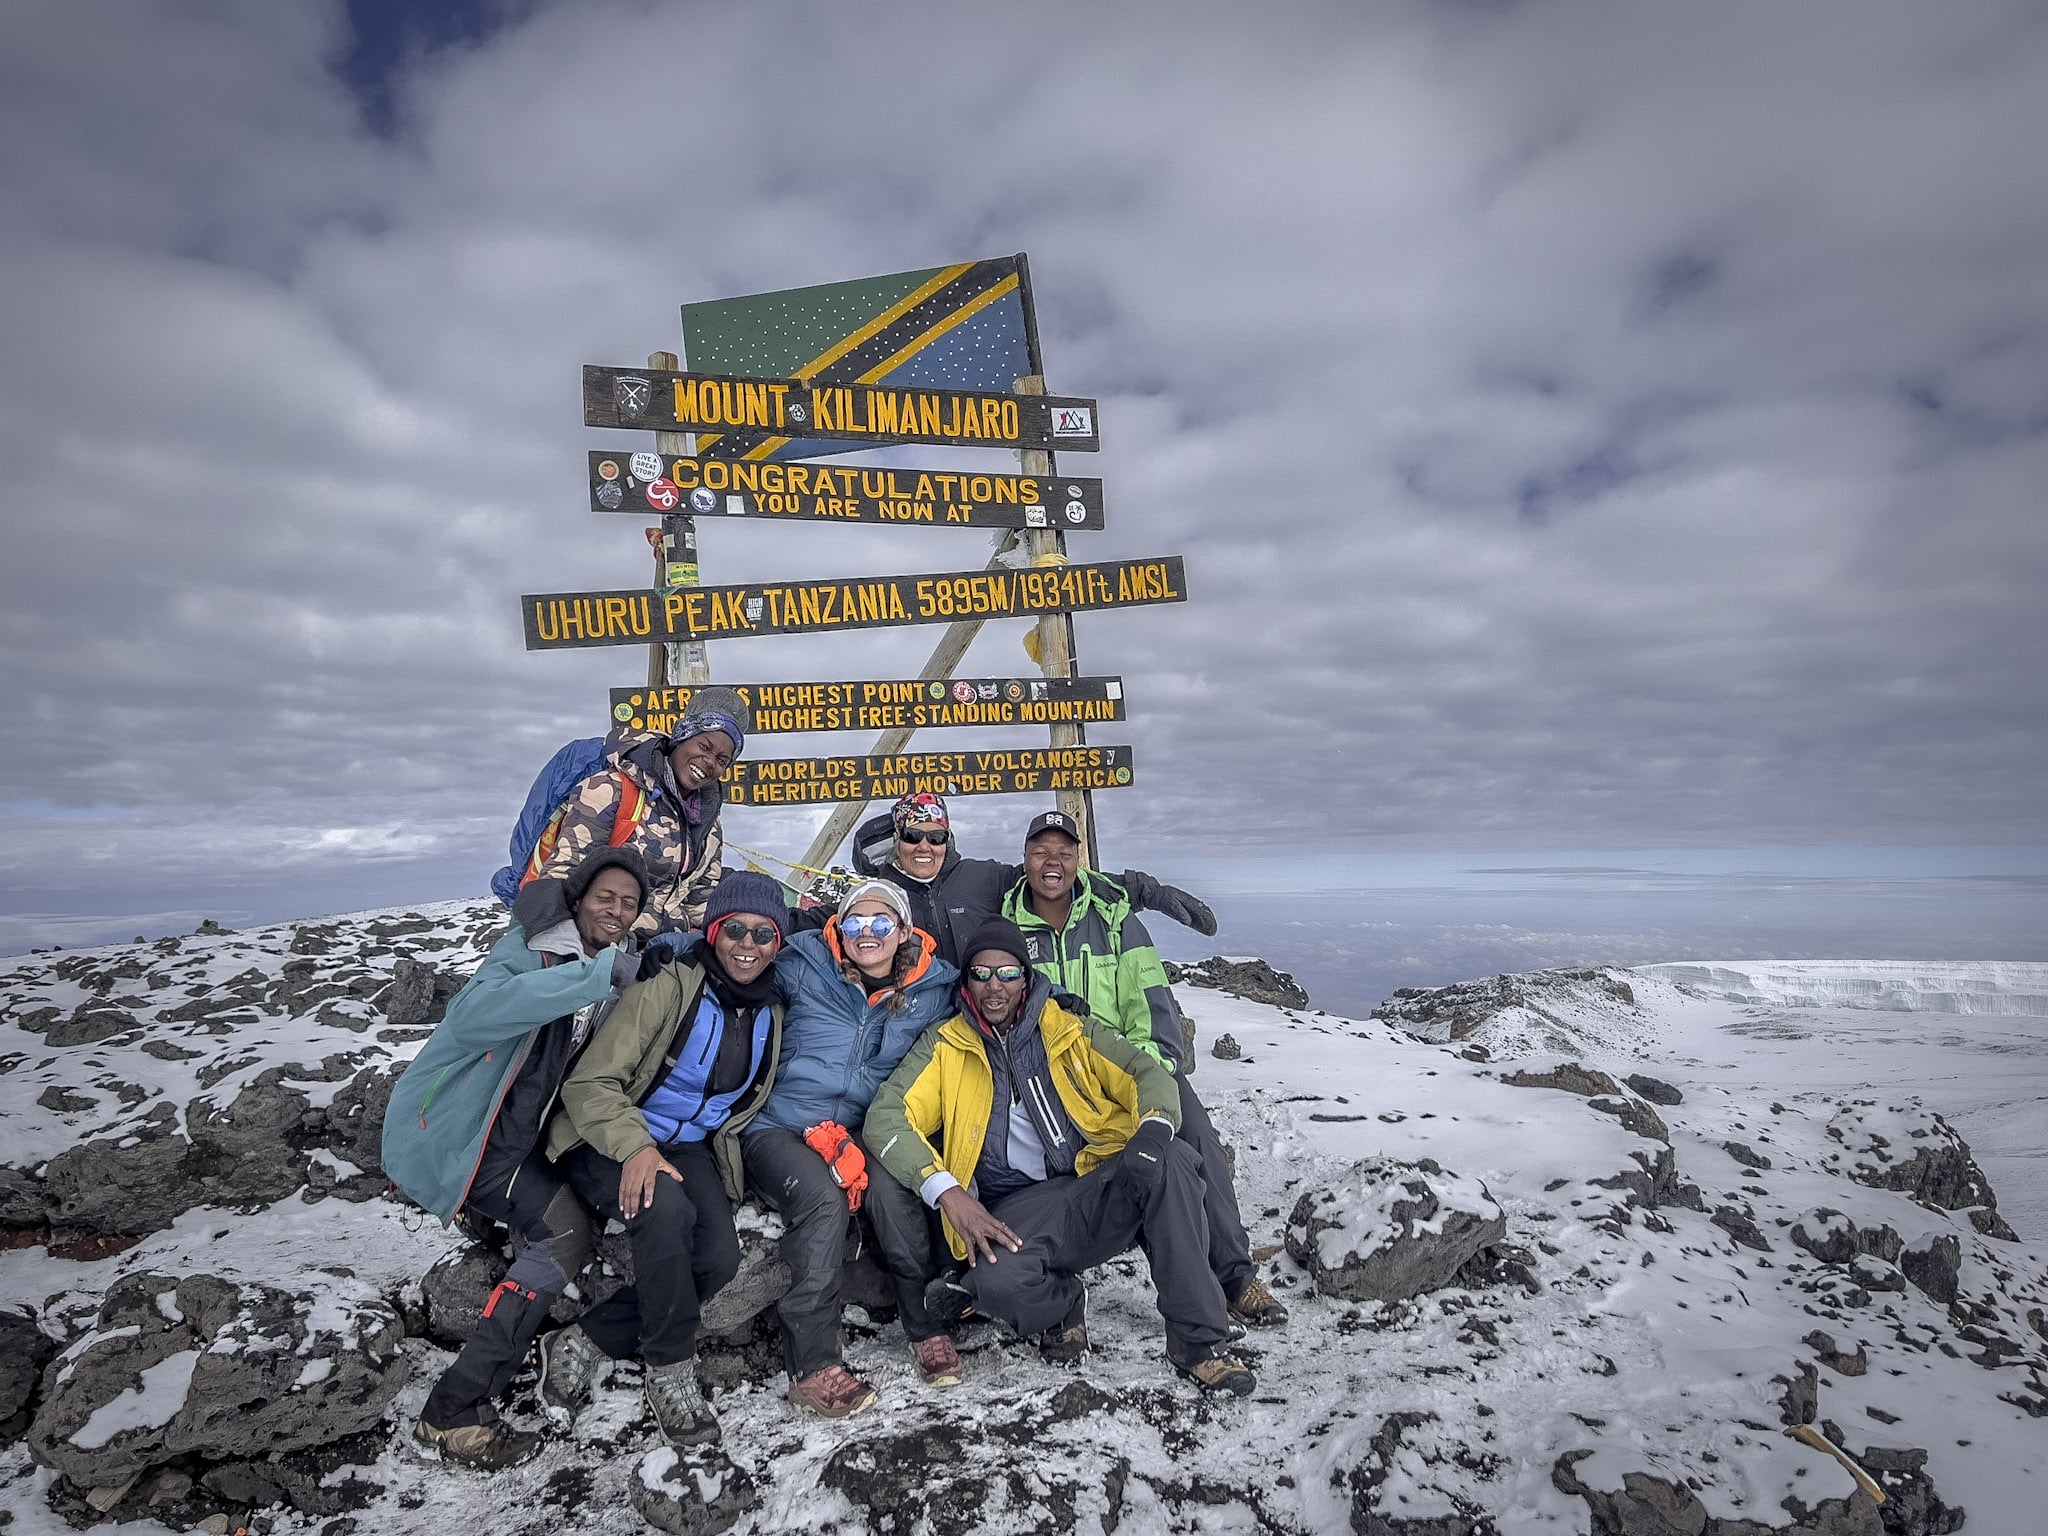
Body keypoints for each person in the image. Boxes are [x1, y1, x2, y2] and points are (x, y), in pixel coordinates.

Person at [866, 919, 1256, 1394]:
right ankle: (1064, 1304)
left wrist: (1153, 1131)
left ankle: (1199, 1344)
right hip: (1016, 1208)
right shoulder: (946, 1045)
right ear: (965, 981)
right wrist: (948, 1192)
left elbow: (1145, 1073)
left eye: (1008, 974)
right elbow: (887, 1117)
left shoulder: (1068, 1028)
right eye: (981, 974)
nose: (995, 987)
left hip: (1094, 1182)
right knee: (995, 1286)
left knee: (1171, 1160)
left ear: (1025, 979)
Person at [383, 846, 648, 1469]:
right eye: (605, 897)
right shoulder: (527, 951)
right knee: (563, 1235)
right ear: (578, 899)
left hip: (519, 1138)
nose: (615, 910)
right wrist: (594, 976)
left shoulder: (602, 962)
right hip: (465, 1137)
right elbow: (475, 1018)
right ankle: (454, 1409)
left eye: (629, 904)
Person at [1001, 810, 1288, 1332]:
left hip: (1134, 1061)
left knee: (1196, 1138)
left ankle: (1234, 1276)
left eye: (1065, 852)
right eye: (1041, 850)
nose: (1053, 861)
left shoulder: (1114, 917)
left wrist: (1149, 1071)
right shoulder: (1006, 925)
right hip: (1061, 1076)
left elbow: (1151, 1000)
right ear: (1024, 859)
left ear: (1078, 859)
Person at [537, 869, 789, 1447]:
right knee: (664, 1210)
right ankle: (669, 1371)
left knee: (720, 1257)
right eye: (734, 930)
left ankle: (582, 1340)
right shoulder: (668, 986)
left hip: (689, 1144)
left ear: (779, 942)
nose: (747, 945)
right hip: (607, 1134)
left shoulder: (771, 1010)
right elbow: (591, 1082)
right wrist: (637, 1148)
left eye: (763, 934)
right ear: (712, 930)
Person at [742, 878, 960, 1417]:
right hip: (783, 1126)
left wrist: (1051, 997)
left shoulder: (934, 989)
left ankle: (924, 1325)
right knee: (823, 1202)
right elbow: (735, 956)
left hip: (867, 1128)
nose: (868, 934)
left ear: (905, 931)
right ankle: (812, 1364)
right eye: (854, 923)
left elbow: (989, 996)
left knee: (896, 1188)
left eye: (881, 923)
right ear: (837, 927)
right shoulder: (803, 964)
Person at [827, 791, 1218, 969]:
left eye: (936, 836)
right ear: (898, 841)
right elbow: (830, 923)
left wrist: (1146, 891)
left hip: (988, 1010)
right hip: (914, 1023)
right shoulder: (881, 896)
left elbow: (1056, 879)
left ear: (949, 839)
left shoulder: (983, 877)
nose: (924, 845)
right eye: (913, 836)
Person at [514, 686, 750, 944]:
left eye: (722, 760)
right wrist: (578, 956)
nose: (709, 761)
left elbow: (699, 904)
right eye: (704, 746)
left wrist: (750, 924)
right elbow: (562, 878)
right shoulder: (611, 789)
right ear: (683, 734)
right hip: (603, 947)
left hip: (666, 950)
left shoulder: (709, 824)